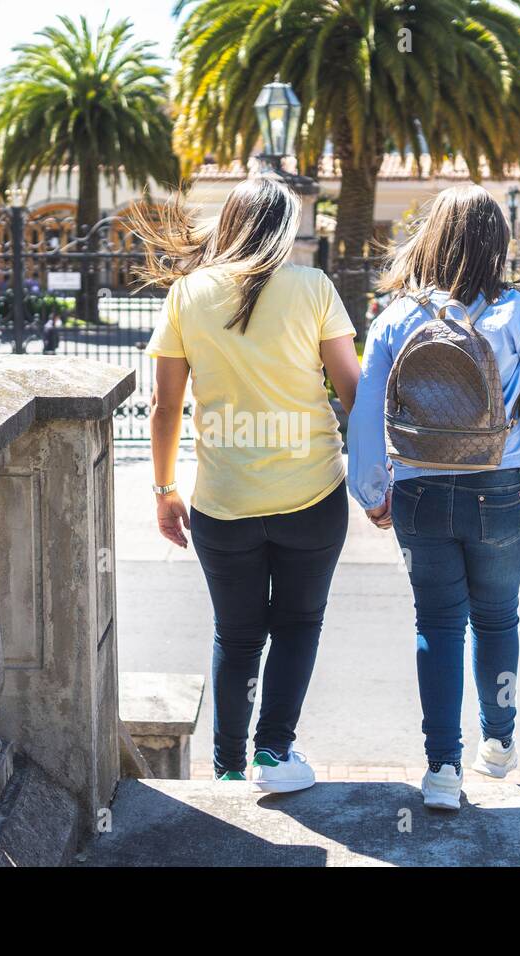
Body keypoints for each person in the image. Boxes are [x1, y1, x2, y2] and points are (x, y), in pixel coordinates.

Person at [347, 183, 520, 810]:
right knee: (498, 618)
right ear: (498, 244)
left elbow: (366, 413)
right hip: (500, 491)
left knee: (437, 625)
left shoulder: (396, 316)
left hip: (419, 490)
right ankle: (500, 744)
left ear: (432, 238)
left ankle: (441, 770)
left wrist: (373, 491)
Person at [137, 176, 361, 793]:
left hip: (223, 501)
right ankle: (273, 754)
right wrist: (378, 476)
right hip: (313, 495)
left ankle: (229, 766)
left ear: (230, 223)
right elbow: (353, 391)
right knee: (297, 625)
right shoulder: (313, 288)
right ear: (285, 228)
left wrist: (164, 491)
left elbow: (163, 406)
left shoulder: (187, 294)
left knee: (235, 636)